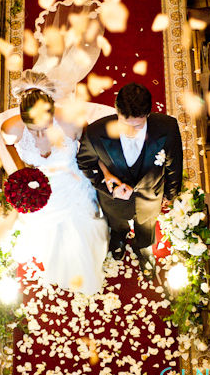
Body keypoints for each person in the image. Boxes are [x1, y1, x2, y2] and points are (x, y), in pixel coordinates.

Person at [1, 84, 108, 295]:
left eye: (46, 126)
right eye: (34, 129)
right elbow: (9, 146)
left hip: (71, 180)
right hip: (40, 185)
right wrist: (24, 173)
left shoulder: (70, 123)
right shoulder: (11, 128)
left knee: (80, 225)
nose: (40, 133)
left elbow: (89, 146)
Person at [77, 83, 183, 272]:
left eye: (138, 125)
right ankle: (119, 237)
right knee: (117, 223)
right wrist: (109, 187)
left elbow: (174, 164)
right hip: (114, 202)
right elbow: (86, 164)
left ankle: (143, 246)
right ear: (116, 110)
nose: (131, 132)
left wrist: (170, 193)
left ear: (147, 115)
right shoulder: (95, 133)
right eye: (125, 124)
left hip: (150, 197)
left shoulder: (168, 127)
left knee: (147, 227)